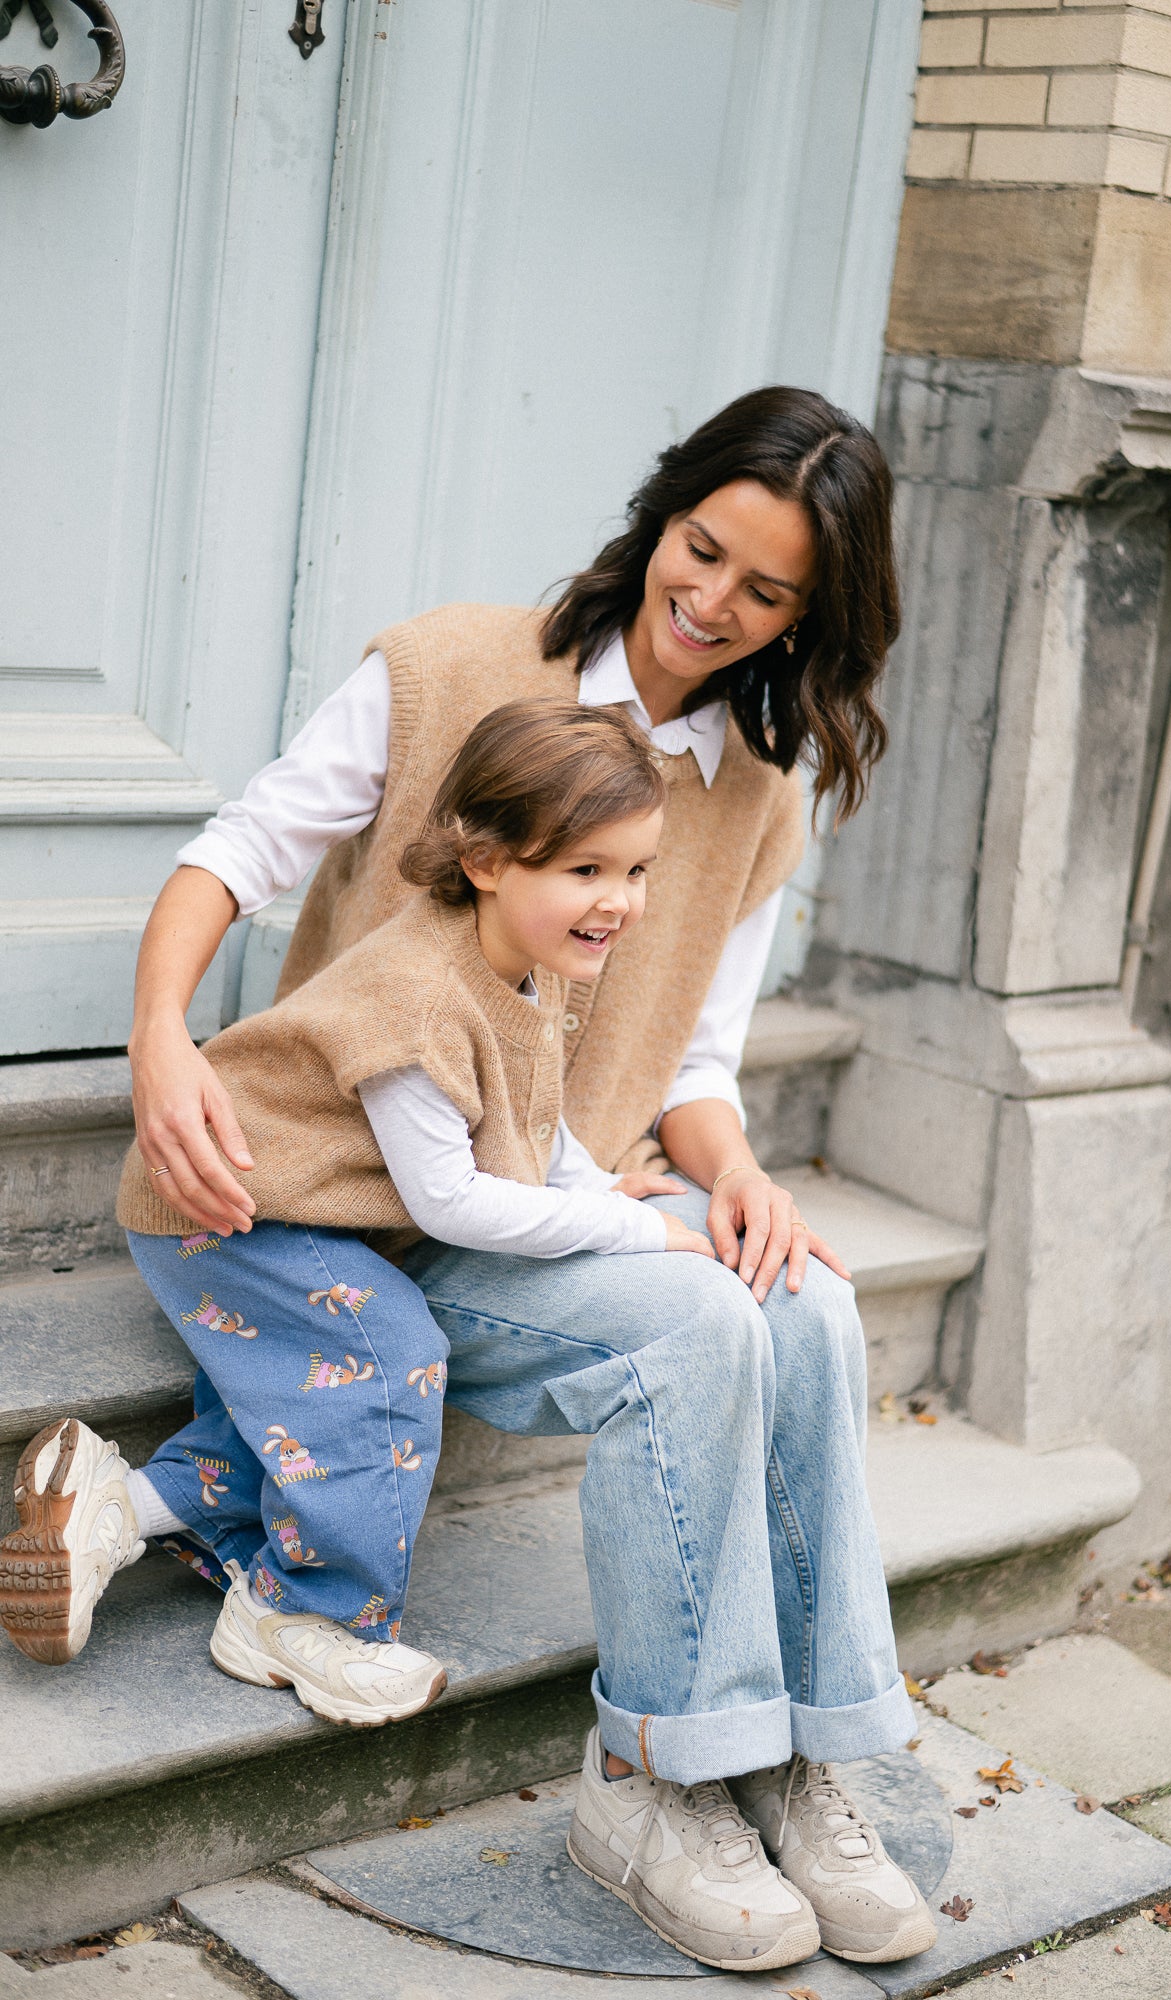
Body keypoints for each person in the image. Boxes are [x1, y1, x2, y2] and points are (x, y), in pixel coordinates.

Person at [6, 387, 939, 1971]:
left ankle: (798, 1756)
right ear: (661, 513)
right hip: (381, 1201)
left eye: (766, 589)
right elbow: (237, 851)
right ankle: (655, 1785)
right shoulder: (445, 670)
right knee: (700, 1327)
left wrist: (736, 1179)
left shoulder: (759, 794)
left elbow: (696, 1062)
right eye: (700, 547)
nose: (711, 599)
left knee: (811, 1309)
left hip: (556, 1188)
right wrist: (160, 1040)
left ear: (810, 617)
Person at [0, 701, 703, 1728]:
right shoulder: (415, 1000)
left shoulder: (526, 955)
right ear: (486, 860)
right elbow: (449, 1201)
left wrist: (595, 1186)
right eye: (585, 869)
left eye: (636, 869)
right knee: (382, 1354)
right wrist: (631, 1230)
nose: (619, 900)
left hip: (307, 1211)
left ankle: (117, 1506)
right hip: (222, 1204)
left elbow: (528, 1112)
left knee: (308, 1414)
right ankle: (302, 1613)